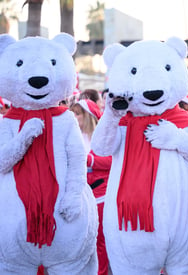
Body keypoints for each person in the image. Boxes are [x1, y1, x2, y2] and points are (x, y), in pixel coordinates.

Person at [70, 99, 111, 275]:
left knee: (100, 242)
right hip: (79, 198)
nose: (74, 117)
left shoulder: (102, 139)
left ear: (88, 116)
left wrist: (90, 160)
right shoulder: (72, 137)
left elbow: (113, 161)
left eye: (78, 113)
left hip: (101, 195)